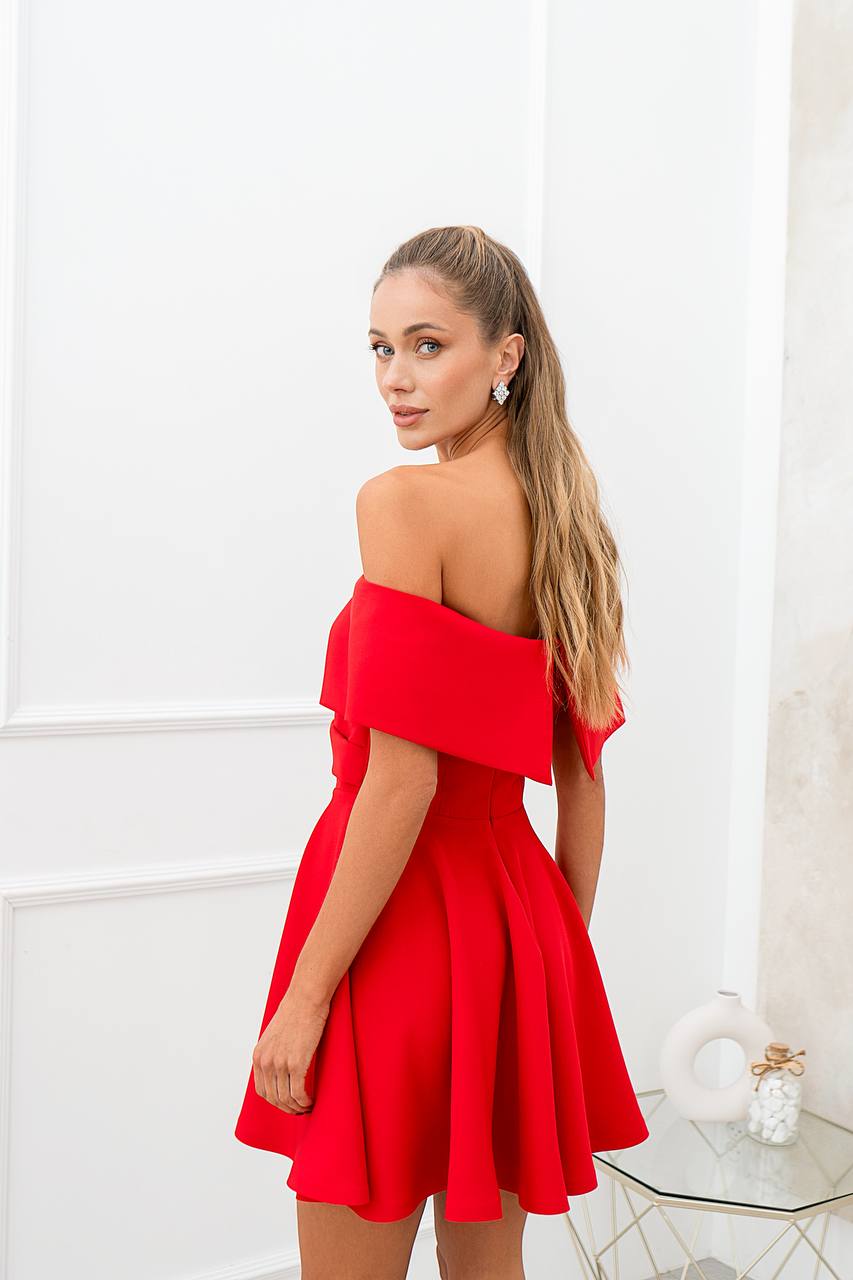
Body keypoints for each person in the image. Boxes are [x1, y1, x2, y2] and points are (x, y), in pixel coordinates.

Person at [234, 225, 649, 1280]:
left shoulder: (403, 501)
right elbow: (583, 776)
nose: (396, 379)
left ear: (505, 355)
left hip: (395, 926)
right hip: (516, 923)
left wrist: (306, 999)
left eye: (427, 345)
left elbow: (401, 780)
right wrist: (553, 956)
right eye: (380, 349)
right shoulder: (567, 515)